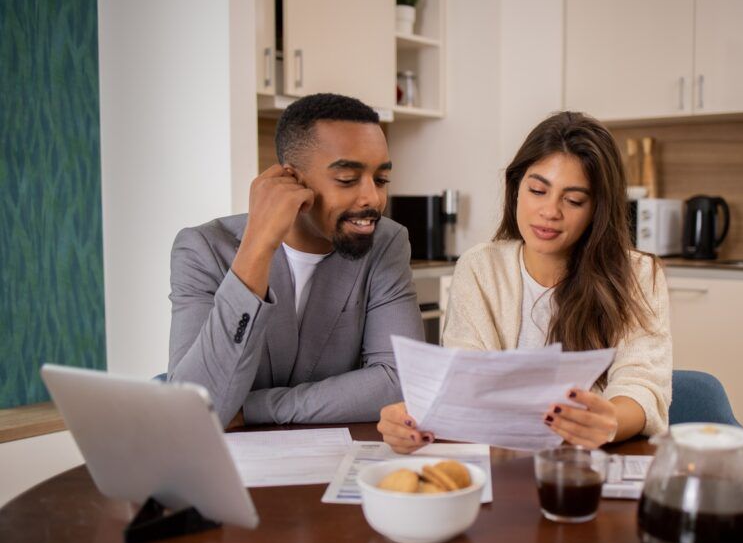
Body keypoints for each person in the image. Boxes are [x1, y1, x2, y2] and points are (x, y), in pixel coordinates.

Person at [378, 111, 671, 453]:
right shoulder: (479, 267)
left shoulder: (638, 275)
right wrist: (414, 418)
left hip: (587, 465)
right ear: (516, 187)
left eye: (573, 200)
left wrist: (609, 421)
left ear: (598, 209)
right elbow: (467, 383)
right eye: (537, 190)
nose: (550, 211)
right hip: (500, 461)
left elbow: (643, 384)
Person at [168, 93, 424, 427]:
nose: (373, 198)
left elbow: (398, 380)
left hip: (335, 461)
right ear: (292, 181)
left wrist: (255, 409)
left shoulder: (386, 243)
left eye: (381, 179)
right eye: (347, 179)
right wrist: (257, 248)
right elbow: (192, 407)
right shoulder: (203, 249)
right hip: (227, 467)